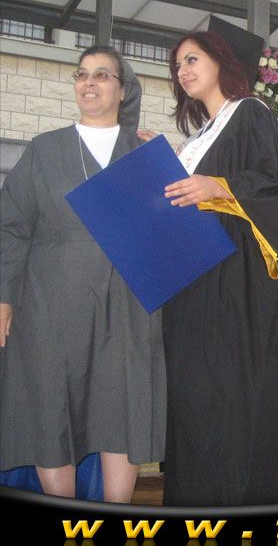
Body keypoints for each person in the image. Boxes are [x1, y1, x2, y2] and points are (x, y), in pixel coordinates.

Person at [0, 46, 166, 503]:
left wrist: (172, 163)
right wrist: (3, 297)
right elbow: (11, 227)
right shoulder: (44, 149)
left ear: (123, 89)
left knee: (121, 409)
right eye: (82, 75)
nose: (89, 83)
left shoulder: (143, 152)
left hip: (128, 304)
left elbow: (170, 232)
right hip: (52, 301)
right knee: (51, 405)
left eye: (102, 75)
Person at [157, 20, 278, 505]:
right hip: (193, 286)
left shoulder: (250, 113)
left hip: (231, 287)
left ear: (221, 61)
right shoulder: (202, 135)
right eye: (178, 64)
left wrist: (218, 187)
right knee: (193, 404)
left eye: (192, 59)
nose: (182, 70)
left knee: (225, 400)